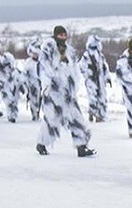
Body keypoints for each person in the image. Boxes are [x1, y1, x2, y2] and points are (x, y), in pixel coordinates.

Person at [35, 25, 96, 157]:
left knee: (76, 117)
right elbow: (43, 67)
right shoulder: (48, 48)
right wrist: (46, 84)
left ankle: (81, 146)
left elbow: (74, 68)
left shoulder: (69, 51)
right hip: (53, 90)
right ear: (55, 35)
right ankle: (42, 143)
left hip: (67, 92)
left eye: (64, 35)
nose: (63, 37)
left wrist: (74, 85)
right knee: (52, 119)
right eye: (60, 35)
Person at [79, 35, 112, 123]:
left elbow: (105, 67)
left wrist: (107, 77)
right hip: (91, 80)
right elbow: (82, 67)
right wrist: (89, 73)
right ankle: (92, 112)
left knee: (102, 97)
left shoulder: (100, 56)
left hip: (100, 79)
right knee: (93, 98)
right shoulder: (86, 56)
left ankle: (100, 115)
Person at [0, 52, 27, 123]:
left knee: (14, 103)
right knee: (8, 103)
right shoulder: (1, 73)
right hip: (6, 91)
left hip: (15, 91)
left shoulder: (15, 72)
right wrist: (1, 85)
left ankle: (13, 116)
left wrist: (22, 88)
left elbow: (21, 80)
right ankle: (10, 115)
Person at [23, 39, 42, 121]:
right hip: (32, 84)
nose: (35, 55)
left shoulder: (43, 62)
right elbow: (24, 74)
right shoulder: (28, 63)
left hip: (42, 84)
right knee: (33, 100)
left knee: (41, 100)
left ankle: (39, 112)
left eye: (36, 53)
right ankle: (34, 113)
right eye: (33, 54)